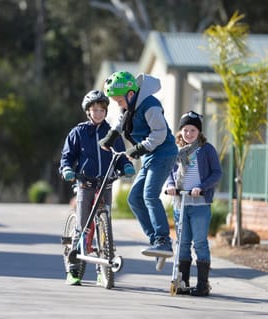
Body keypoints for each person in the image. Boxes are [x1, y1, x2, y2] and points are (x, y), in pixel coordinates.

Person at [59, 89, 135, 286]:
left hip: (106, 183)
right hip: (85, 183)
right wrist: (67, 169)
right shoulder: (79, 132)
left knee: (105, 225)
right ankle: (73, 270)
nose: (98, 113)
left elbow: (119, 154)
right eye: (94, 110)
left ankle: (103, 271)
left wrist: (125, 165)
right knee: (82, 226)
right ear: (88, 112)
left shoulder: (112, 133)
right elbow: (67, 156)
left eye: (102, 110)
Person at [99, 71, 178, 259]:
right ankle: (156, 241)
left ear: (131, 94)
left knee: (149, 195)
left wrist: (140, 148)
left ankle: (163, 241)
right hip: (150, 157)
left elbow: (159, 133)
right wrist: (111, 136)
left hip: (164, 153)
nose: (119, 105)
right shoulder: (129, 107)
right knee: (134, 198)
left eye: (119, 100)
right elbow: (122, 121)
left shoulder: (150, 106)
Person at [164, 111, 222, 296]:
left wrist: (201, 186)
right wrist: (171, 185)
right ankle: (183, 281)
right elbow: (169, 172)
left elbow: (216, 173)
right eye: (186, 130)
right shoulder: (175, 151)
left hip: (199, 204)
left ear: (199, 132)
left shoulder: (206, 149)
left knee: (199, 243)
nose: (189, 134)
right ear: (180, 131)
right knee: (182, 243)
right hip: (181, 202)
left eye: (193, 130)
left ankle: (203, 284)